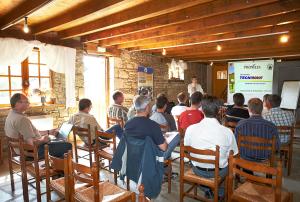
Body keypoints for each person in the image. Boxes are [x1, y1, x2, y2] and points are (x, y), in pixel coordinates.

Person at [184, 96, 238, 198]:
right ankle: (219, 192)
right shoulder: (227, 132)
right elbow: (234, 153)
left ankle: (206, 188)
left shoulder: (190, 129)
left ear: (202, 110)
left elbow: (187, 150)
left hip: (197, 169)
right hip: (218, 172)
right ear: (218, 111)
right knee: (230, 163)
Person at [4, 93, 72, 159]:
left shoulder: (11, 115)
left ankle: (54, 167)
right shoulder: (22, 119)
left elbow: (30, 134)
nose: (29, 103)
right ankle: (58, 168)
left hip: (21, 150)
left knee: (58, 142)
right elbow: (31, 144)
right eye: (27, 101)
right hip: (31, 152)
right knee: (67, 145)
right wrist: (43, 139)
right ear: (17, 103)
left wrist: (49, 132)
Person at [124, 95, 180, 160]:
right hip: (150, 158)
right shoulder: (153, 125)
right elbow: (164, 148)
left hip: (133, 155)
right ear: (147, 107)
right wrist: (165, 140)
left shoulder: (127, 124)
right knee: (177, 136)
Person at [235, 98, 280, 162]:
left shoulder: (240, 124)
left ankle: (247, 169)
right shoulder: (271, 126)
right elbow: (277, 147)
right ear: (262, 109)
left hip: (244, 157)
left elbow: (236, 143)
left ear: (249, 110)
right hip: (264, 158)